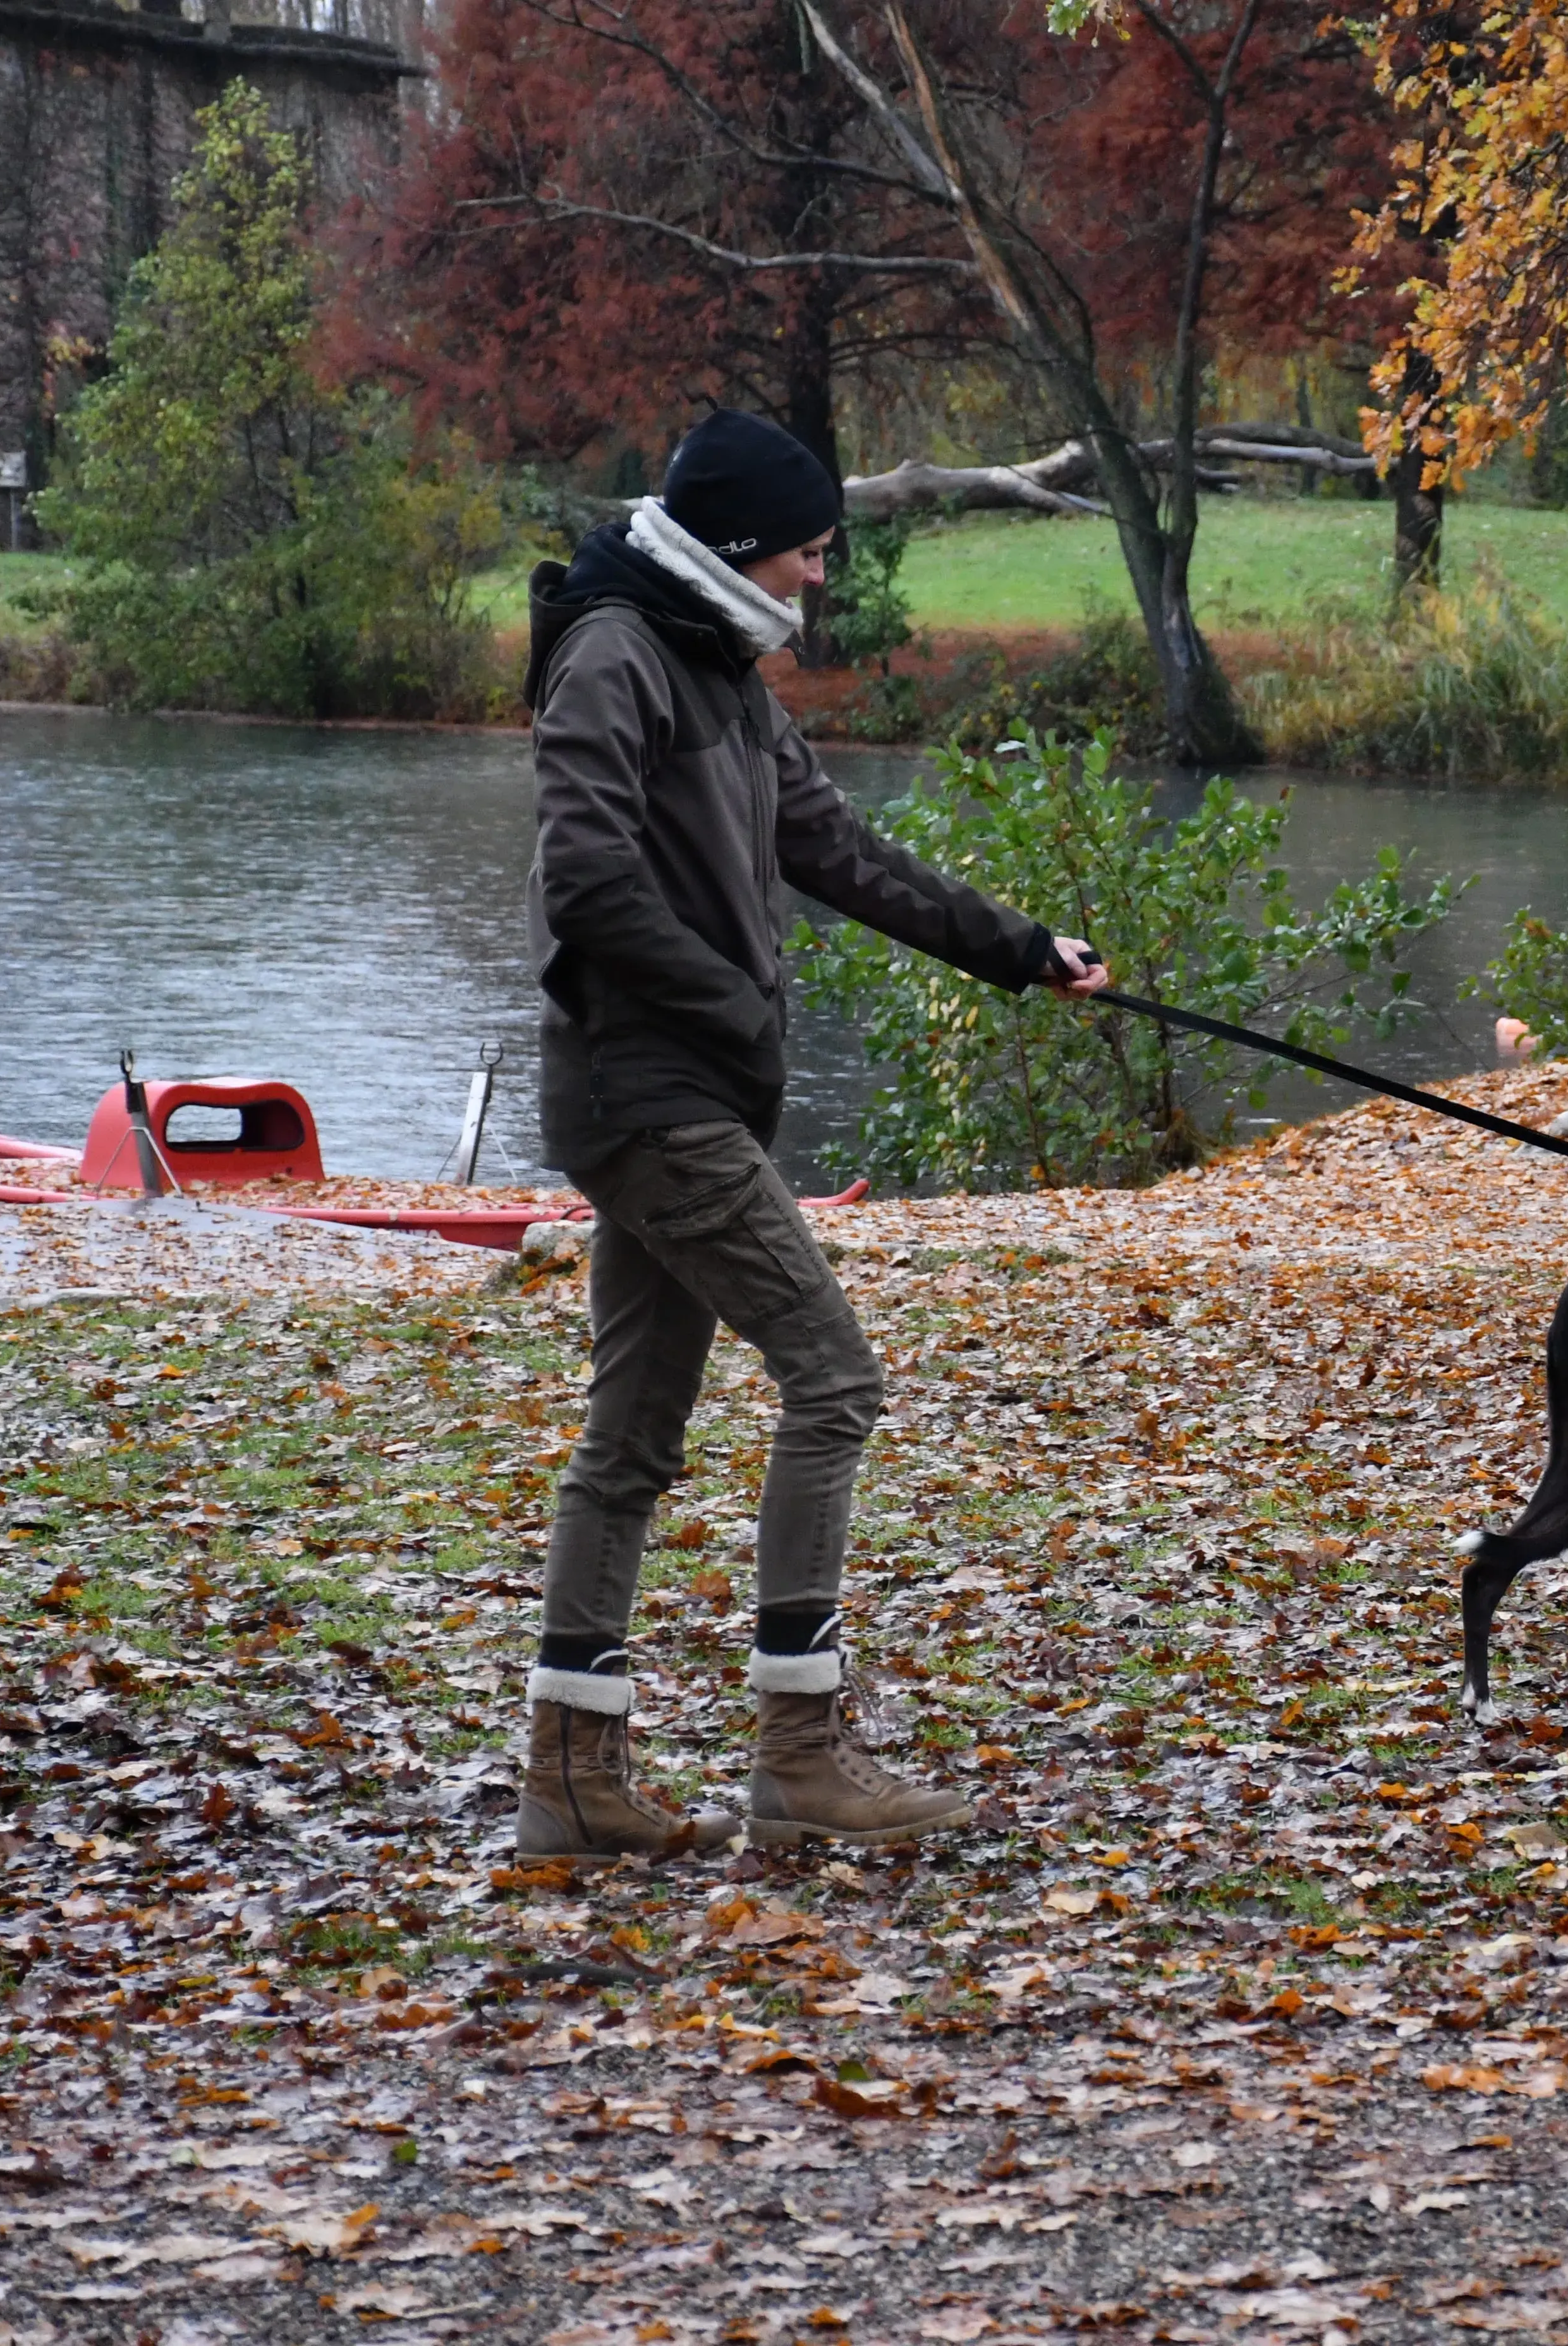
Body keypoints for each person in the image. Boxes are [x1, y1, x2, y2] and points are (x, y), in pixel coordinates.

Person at [515, 408, 1110, 1860]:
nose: (819, 578)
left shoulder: (717, 663)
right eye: (805, 552)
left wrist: (1018, 948)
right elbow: (584, 879)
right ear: (735, 552)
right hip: (649, 1095)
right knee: (834, 1380)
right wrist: (725, 999)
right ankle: (802, 1748)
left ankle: (573, 1780)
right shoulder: (614, 652)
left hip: (688, 1090)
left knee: (633, 1437)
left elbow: (836, 850)